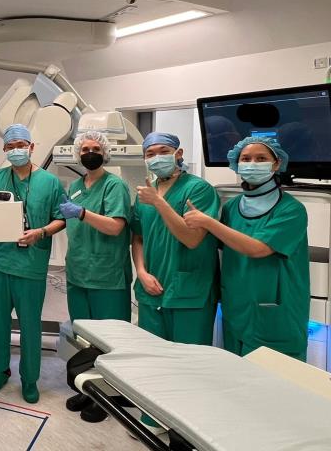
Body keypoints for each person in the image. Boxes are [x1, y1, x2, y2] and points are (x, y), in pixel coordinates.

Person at [0, 124, 66, 404]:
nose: (16, 150)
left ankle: (30, 379)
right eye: (10, 147)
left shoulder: (49, 182)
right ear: (4, 150)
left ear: (31, 147)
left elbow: (61, 218)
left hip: (31, 265)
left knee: (30, 325)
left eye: (21, 145)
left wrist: (40, 232)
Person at [184, 136, 309, 360]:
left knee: (276, 375)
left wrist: (209, 222)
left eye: (261, 158)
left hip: (276, 311)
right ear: (236, 163)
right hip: (236, 306)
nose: (252, 163)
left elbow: (258, 249)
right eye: (246, 158)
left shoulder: (291, 209)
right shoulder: (232, 207)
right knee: (238, 372)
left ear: (276, 163)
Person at [60, 131, 132, 422]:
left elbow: (115, 227)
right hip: (78, 272)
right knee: (86, 339)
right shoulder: (76, 186)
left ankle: (110, 396)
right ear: (78, 155)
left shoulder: (115, 185)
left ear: (105, 153)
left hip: (107, 274)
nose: (90, 153)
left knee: (109, 341)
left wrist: (81, 213)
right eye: (85, 149)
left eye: (95, 148)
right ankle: (89, 390)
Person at [132, 132, 220, 348]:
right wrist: (141, 272)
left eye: (164, 152)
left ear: (178, 154)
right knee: (152, 356)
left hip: (189, 292)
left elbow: (192, 239)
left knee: (188, 360)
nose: (157, 158)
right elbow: (138, 237)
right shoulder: (145, 194)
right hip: (151, 289)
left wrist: (158, 202)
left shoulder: (199, 189)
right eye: (150, 154)